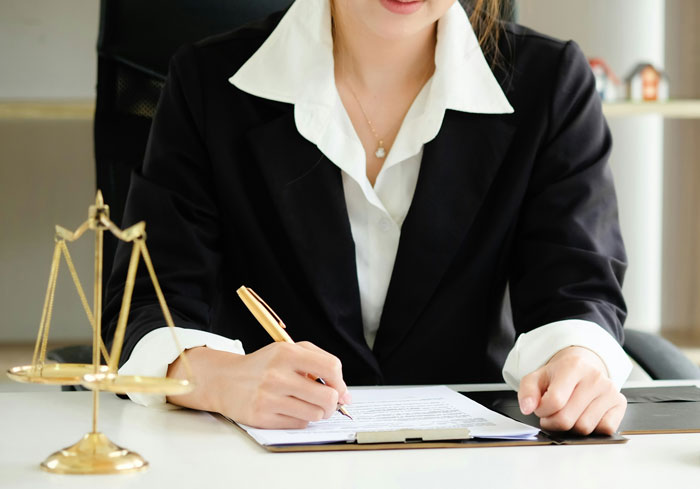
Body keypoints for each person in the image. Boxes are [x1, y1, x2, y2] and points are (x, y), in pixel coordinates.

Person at [104, 0, 631, 434]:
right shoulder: (206, 82)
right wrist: (222, 379)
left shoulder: (551, 82)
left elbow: (577, 285)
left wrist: (577, 358)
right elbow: (149, 299)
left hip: (472, 457)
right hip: (264, 453)